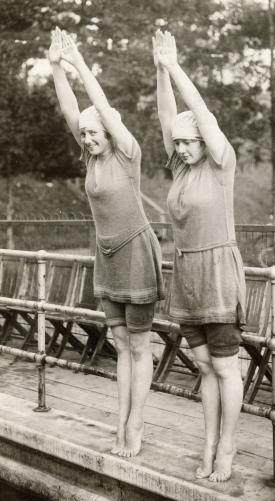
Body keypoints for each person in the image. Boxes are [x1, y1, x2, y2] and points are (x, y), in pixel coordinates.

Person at [49, 27, 164, 457]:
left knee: (139, 345)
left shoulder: (125, 153)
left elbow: (100, 111)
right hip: (107, 255)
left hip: (135, 252)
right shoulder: (91, 155)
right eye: (85, 136)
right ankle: (121, 427)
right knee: (119, 345)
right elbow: (71, 109)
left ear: (110, 134)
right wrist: (55, 66)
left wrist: (79, 63)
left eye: (94, 135)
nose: (88, 139)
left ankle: (136, 428)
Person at [153, 30, 246, 482]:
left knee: (226, 366)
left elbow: (201, 115)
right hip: (188, 273)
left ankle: (227, 449)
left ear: (204, 142)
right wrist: (159, 71)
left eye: (189, 142)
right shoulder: (182, 168)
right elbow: (167, 115)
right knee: (206, 365)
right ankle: (207, 444)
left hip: (218, 274)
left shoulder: (219, 162)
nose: (182, 148)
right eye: (179, 143)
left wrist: (175, 66)